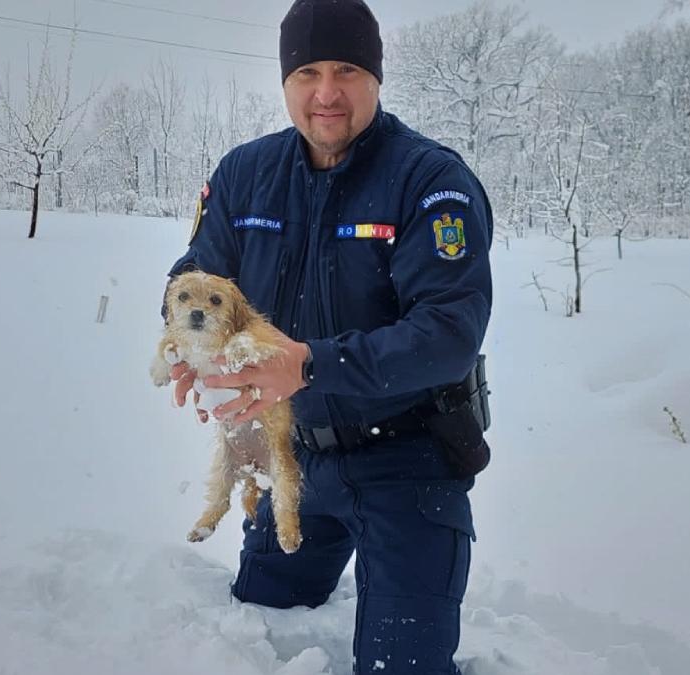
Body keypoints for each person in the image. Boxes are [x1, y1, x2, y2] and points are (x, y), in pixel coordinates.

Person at [165, 0, 493, 672]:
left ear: (376, 75)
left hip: (410, 462)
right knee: (254, 625)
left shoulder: (429, 182)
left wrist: (309, 365)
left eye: (347, 70)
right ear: (284, 80)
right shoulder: (244, 176)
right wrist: (181, 341)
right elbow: (195, 275)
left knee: (403, 666)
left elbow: (447, 333)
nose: (326, 93)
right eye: (307, 72)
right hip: (300, 459)